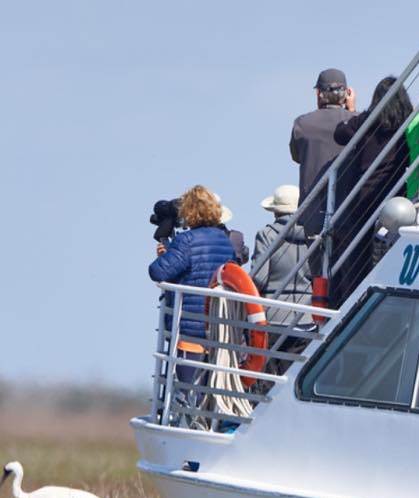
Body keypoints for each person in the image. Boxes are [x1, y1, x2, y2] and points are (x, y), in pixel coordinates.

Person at [148, 186, 237, 397]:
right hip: (217, 326)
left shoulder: (187, 240)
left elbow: (158, 271)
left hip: (190, 326)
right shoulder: (224, 240)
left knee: (188, 394)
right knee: (209, 393)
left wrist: (164, 255)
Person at [331, 77, 413, 306]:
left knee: (357, 254)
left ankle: (353, 301)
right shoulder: (406, 124)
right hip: (393, 196)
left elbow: (340, 133)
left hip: (362, 195)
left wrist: (352, 111)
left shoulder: (367, 121)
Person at [290, 68, 356, 236]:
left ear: (318, 93)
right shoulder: (356, 123)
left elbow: (297, 156)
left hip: (311, 214)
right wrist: (352, 112)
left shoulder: (302, 124)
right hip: (348, 212)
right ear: (347, 93)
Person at [251, 184, 311, 328]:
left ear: (275, 212)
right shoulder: (313, 236)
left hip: (273, 316)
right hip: (307, 318)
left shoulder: (266, 235)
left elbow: (259, 278)